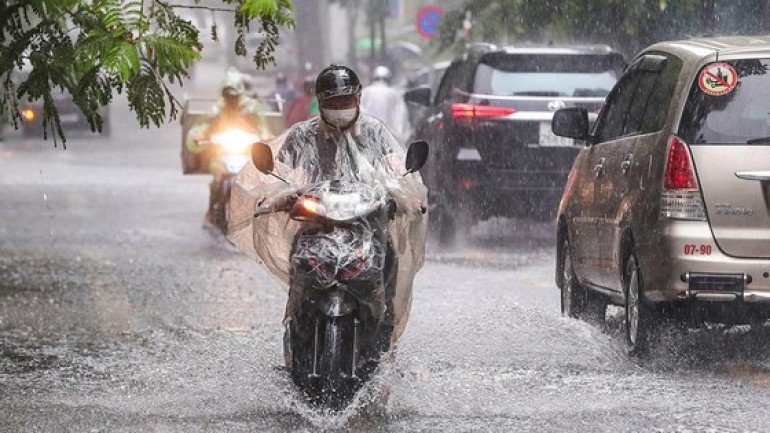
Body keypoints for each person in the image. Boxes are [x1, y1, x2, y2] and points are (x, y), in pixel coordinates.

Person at [227, 64, 428, 348]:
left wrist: (408, 197)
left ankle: (383, 331)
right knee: (301, 261)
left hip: (366, 220)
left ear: (358, 99)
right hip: (316, 218)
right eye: (332, 103)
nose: (339, 108)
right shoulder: (303, 136)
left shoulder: (375, 132)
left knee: (390, 257)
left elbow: (396, 168)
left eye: (345, 101)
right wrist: (273, 196)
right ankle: (297, 324)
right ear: (320, 103)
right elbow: (281, 173)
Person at [186, 68, 272, 227]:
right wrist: (198, 136)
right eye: (227, 96)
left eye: (234, 96)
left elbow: (263, 128)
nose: (231, 100)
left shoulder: (251, 109)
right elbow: (203, 127)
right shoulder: (216, 110)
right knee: (217, 179)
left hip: (247, 154)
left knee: (260, 181)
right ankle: (212, 209)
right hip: (222, 154)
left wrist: (267, 137)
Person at [360, 65, 411, 144]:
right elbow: (401, 117)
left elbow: (359, 112)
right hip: (389, 137)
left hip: (367, 136)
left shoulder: (365, 92)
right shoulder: (394, 94)